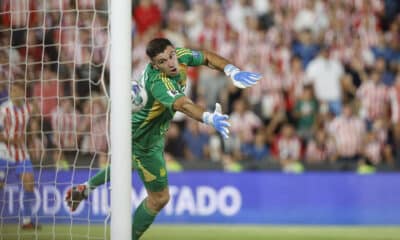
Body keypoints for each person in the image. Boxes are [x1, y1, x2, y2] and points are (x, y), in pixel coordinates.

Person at [65, 38, 261, 239]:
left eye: (171, 56)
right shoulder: (158, 82)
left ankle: (87, 188)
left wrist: (232, 70)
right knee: (159, 198)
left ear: (174, 51)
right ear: (154, 65)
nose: (170, 63)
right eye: (162, 61)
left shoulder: (180, 57)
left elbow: (206, 57)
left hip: (146, 130)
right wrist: (208, 117)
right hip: (144, 141)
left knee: (126, 164)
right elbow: (182, 105)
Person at [0, 82, 40, 229]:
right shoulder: (4, 110)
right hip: (3, 152)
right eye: (11, 90)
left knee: (29, 182)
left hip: (21, 153)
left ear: (22, 92)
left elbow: (35, 117)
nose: (13, 92)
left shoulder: (28, 108)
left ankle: (27, 221)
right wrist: (11, 140)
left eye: (16, 90)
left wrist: (33, 132)